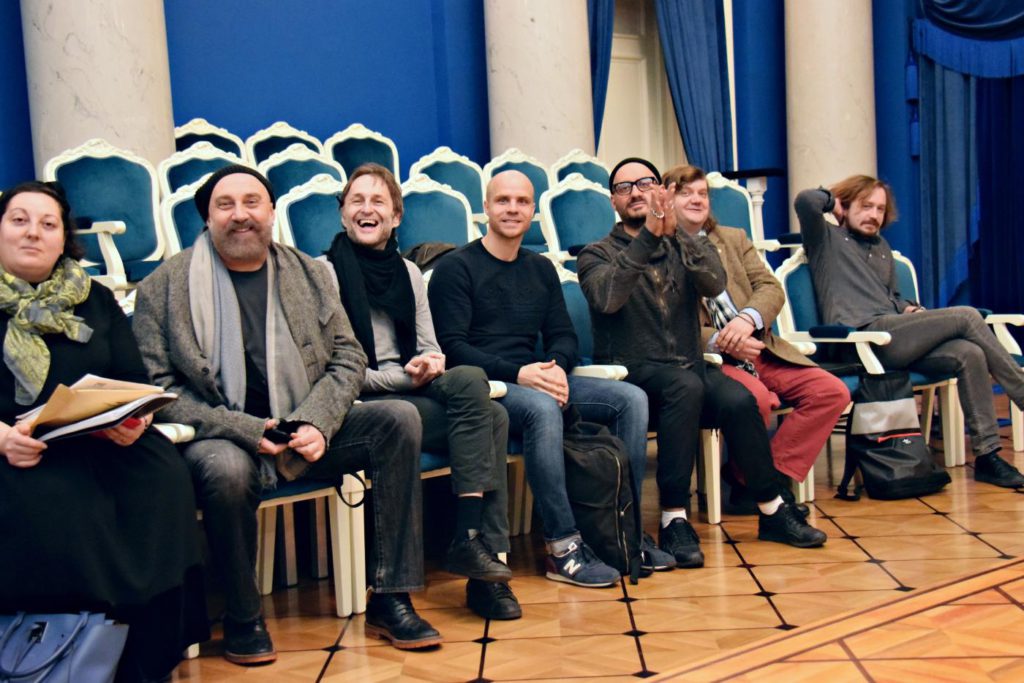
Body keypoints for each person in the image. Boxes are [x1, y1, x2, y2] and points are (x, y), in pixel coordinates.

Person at [133, 166, 441, 662]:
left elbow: (348, 356)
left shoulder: (310, 274)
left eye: (252, 202)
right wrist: (251, 431)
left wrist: (317, 422)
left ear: (272, 212)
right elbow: (162, 391)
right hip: (223, 432)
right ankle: (242, 615)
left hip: (302, 423)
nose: (240, 215)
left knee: (398, 418)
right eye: (225, 204)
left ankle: (391, 596)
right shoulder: (161, 288)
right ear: (207, 217)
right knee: (224, 469)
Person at [0, 181, 209, 682]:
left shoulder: (90, 296)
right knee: (65, 497)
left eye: (48, 225)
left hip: (96, 437)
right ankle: (63, 653)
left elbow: (132, 376)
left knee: (162, 477)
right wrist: (2, 436)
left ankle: (147, 652)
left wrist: (134, 419)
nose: (34, 232)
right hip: (18, 448)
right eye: (19, 220)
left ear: (64, 240)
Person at [429, 170, 675, 588]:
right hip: (493, 386)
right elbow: (453, 349)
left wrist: (557, 366)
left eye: (522, 202)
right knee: (543, 408)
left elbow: (563, 334)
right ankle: (563, 547)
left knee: (630, 398)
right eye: (503, 200)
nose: (512, 209)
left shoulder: (540, 268)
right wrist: (521, 373)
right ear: (485, 208)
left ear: (533, 212)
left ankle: (625, 532)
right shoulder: (456, 268)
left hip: (538, 376)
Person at [577, 158, 828, 566]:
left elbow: (714, 282)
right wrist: (649, 239)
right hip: (630, 372)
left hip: (688, 365)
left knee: (738, 399)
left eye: (646, 183)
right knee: (686, 385)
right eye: (625, 188)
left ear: (661, 191)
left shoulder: (681, 244)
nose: (637, 192)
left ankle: (771, 509)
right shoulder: (596, 253)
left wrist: (679, 233)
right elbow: (608, 297)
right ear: (613, 201)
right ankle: (674, 518)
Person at [322, 163, 519, 620]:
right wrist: (407, 378)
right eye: (357, 201)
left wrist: (430, 363)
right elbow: (341, 372)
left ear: (395, 217)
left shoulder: (409, 273)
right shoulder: (324, 274)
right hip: (368, 403)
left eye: (379, 202)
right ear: (343, 214)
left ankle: (474, 550)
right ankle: (478, 560)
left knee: (474, 385)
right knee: (492, 419)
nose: (367, 209)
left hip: (415, 388)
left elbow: (432, 348)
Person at [796, 176, 1024, 488]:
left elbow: (892, 297)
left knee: (968, 353)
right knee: (968, 316)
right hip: (860, 338)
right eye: (865, 207)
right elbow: (806, 201)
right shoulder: (825, 238)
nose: (874, 215)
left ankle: (988, 456)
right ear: (845, 206)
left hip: (894, 335)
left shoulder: (881, 248)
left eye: (880, 209)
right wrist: (832, 202)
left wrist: (908, 308)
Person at [663, 165, 850, 501]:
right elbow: (664, 321)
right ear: (666, 199)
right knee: (756, 400)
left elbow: (769, 287)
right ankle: (763, 488)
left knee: (831, 391)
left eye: (702, 193)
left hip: (760, 347)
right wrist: (721, 339)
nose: (696, 199)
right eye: (685, 192)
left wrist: (747, 320)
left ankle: (752, 479)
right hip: (712, 358)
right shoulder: (660, 250)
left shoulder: (733, 239)